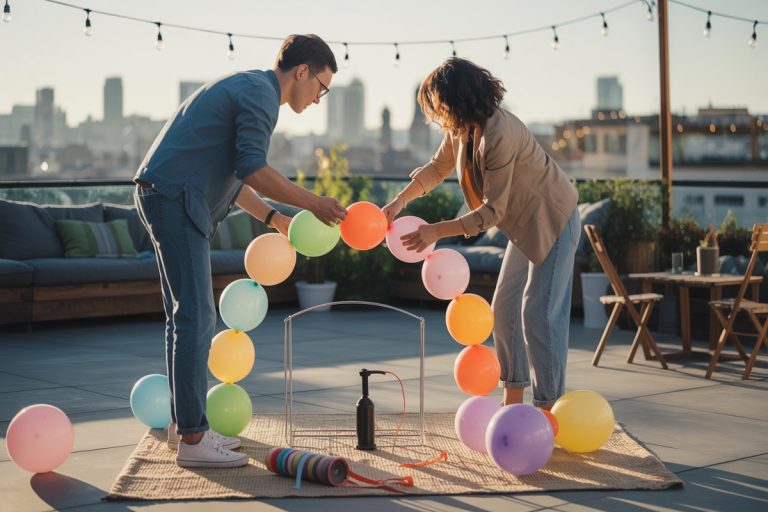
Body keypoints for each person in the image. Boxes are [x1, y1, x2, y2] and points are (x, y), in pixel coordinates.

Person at [134, 34, 347, 468]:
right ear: (301, 72)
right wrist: (314, 203)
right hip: (175, 198)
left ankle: (184, 425)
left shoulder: (250, 86)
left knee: (184, 317)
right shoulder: (261, 94)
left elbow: (238, 176)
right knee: (197, 316)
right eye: (321, 87)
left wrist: (277, 220)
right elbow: (254, 168)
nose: (319, 99)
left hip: (163, 193)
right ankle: (193, 440)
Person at [383, 58, 580, 411]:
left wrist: (435, 232)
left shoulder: (498, 133)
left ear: (455, 99)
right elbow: (435, 169)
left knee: (538, 313)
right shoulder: (462, 129)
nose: (438, 113)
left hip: (554, 219)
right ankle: (514, 402)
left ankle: (549, 410)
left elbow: (492, 212)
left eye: (439, 104)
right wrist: (397, 204)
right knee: (504, 309)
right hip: (523, 224)